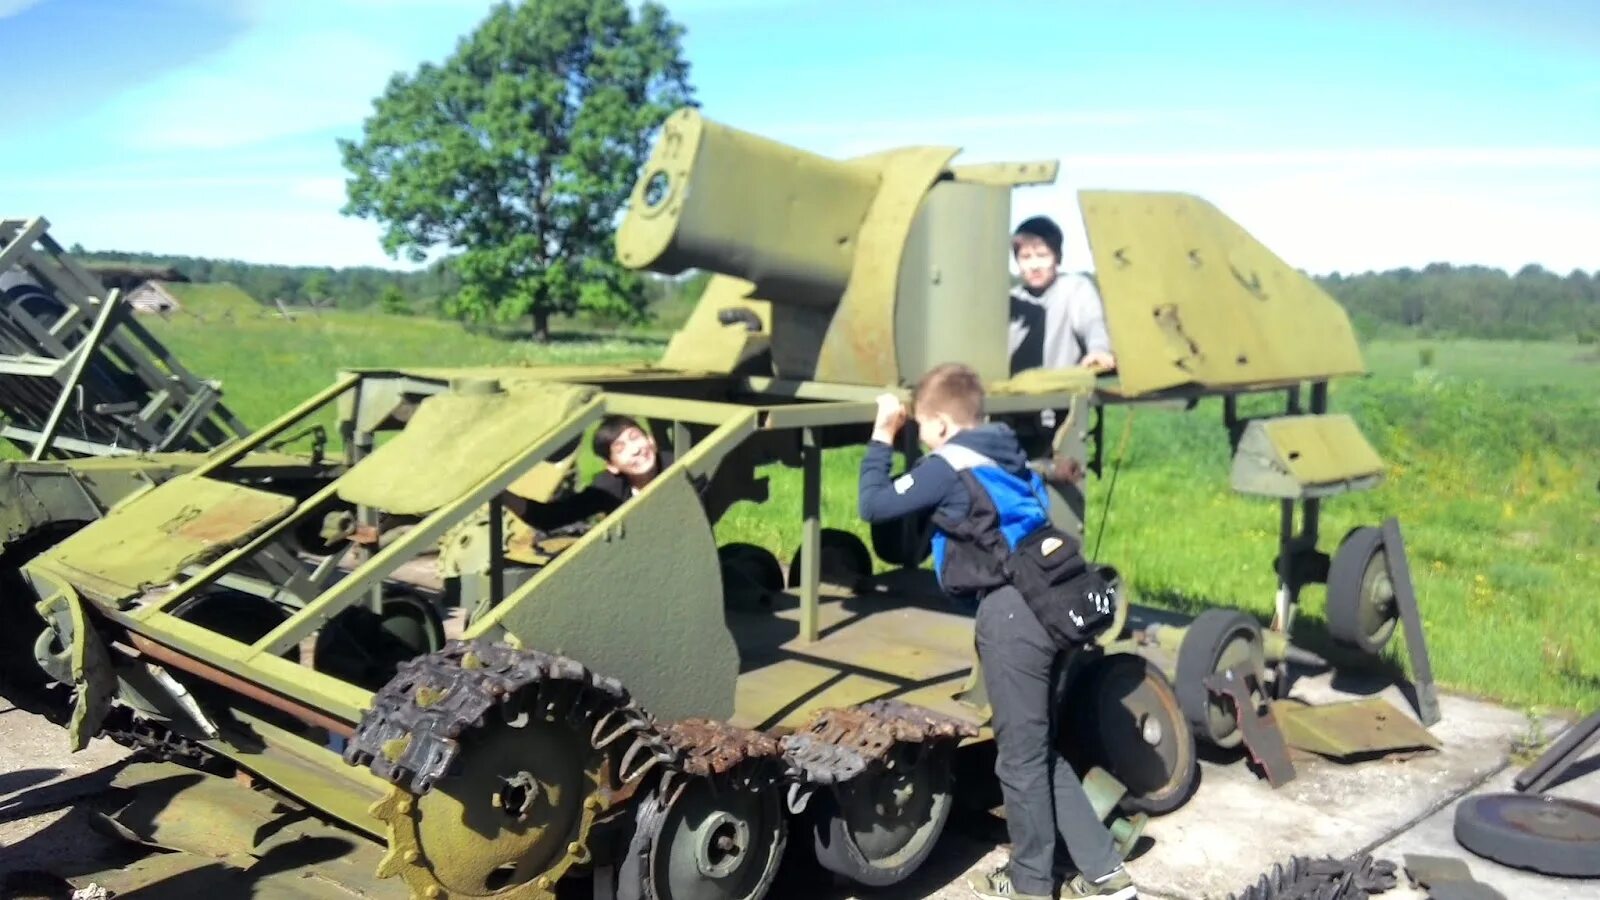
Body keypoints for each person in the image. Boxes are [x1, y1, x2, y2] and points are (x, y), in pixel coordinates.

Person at [857, 363, 1136, 900]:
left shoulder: (947, 464)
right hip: (1049, 608)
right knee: (1035, 750)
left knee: (1018, 760)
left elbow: (875, 505)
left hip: (1013, 617)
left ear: (938, 424)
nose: (919, 437)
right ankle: (1105, 873)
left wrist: (881, 434)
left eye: (920, 428)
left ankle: (1031, 884)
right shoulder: (1003, 451)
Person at [502, 414, 672, 531]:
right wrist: (502, 495)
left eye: (634, 438)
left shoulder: (678, 462)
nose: (635, 451)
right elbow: (550, 518)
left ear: (651, 441)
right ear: (612, 466)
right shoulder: (609, 489)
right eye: (620, 449)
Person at [1009, 215, 1116, 375]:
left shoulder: (1074, 289)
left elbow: (1092, 323)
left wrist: (1098, 350)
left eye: (1042, 255)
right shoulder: (1012, 300)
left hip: (1061, 392)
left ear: (1058, 258)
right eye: (1026, 257)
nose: (1034, 266)